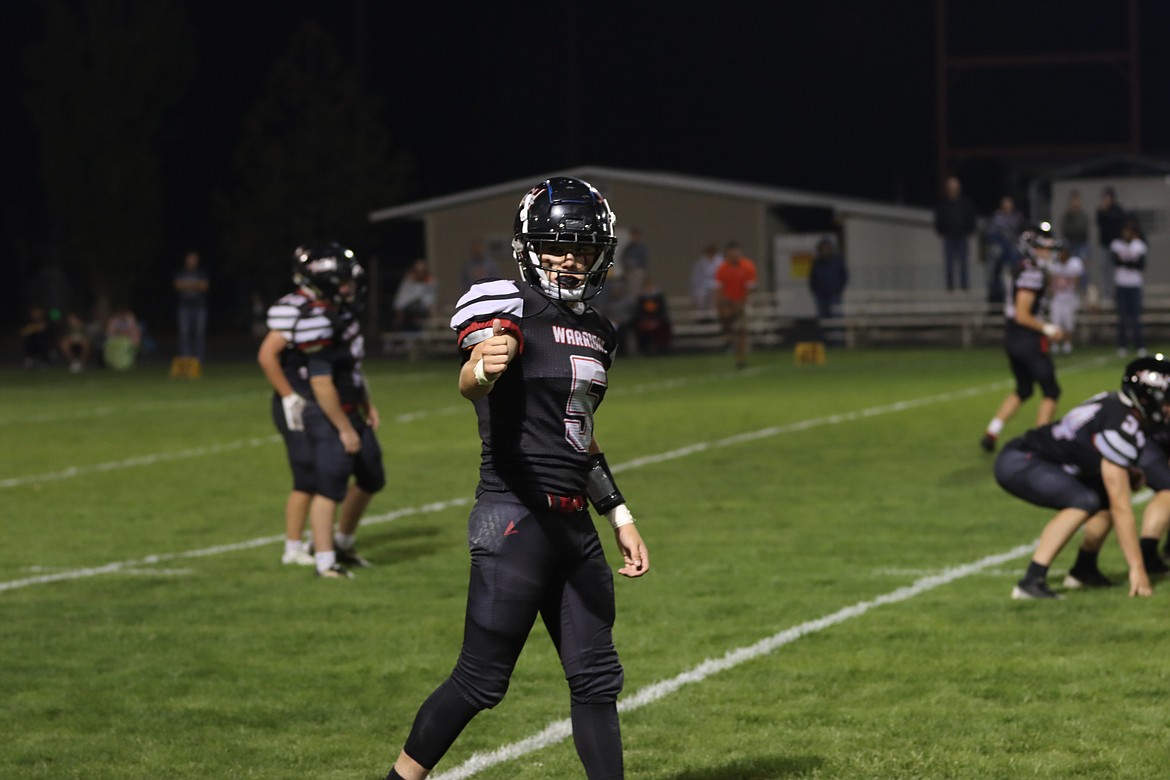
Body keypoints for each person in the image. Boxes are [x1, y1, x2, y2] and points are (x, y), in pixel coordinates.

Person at [381, 176, 649, 780]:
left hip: (575, 526)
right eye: (557, 245)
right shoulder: (505, 303)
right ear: (528, 246)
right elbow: (473, 373)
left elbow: (578, 432)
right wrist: (483, 367)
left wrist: (619, 513)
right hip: (515, 517)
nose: (570, 258)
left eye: (582, 248)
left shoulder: (600, 331)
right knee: (480, 682)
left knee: (597, 678)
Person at [993, 356, 1169, 600]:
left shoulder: (1118, 406)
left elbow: (1087, 447)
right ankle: (1031, 581)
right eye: (1167, 400)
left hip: (1035, 458)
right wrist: (1137, 569)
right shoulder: (1121, 422)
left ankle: (1083, 570)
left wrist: (1128, 471)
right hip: (1022, 460)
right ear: (1148, 397)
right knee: (1084, 500)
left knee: (1102, 498)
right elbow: (1122, 507)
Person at [273, 242, 385, 578]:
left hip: (352, 407)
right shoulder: (315, 321)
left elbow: (351, 369)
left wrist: (366, 403)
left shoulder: (341, 314)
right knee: (328, 484)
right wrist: (345, 428)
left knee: (371, 474)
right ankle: (324, 562)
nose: (351, 287)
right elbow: (322, 383)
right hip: (327, 412)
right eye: (344, 281)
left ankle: (342, 542)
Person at [979, 227, 1064, 452]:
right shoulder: (1031, 272)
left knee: (1024, 389)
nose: (1047, 252)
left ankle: (992, 431)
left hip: (1012, 337)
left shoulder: (1021, 268)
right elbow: (1022, 314)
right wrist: (1047, 328)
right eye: (1043, 248)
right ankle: (1040, 443)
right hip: (1027, 338)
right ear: (1031, 249)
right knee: (1051, 391)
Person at [714, 241, 758, 369]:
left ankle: (741, 357)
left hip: (743, 302)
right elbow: (719, 288)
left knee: (742, 330)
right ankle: (728, 340)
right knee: (728, 323)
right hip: (728, 303)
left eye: (736, 252)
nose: (734, 255)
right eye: (731, 252)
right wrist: (723, 303)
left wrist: (741, 302)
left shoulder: (748, 266)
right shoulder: (722, 268)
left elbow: (751, 288)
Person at [1111, 218, 1148, 358]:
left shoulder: (1138, 245)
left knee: (1136, 318)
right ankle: (1122, 345)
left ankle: (1140, 346)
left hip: (1134, 285)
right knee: (1122, 318)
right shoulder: (1116, 244)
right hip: (1121, 285)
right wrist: (1130, 262)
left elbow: (1141, 265)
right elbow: (1115, 261)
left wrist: (1125, 262)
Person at [933, 175, 977, 292]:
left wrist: (969, 229)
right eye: (951, 187)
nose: (953, 189)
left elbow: (971, 217)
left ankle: (964, 285)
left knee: (963, 262)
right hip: (949, 237)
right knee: (949, 263)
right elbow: (939, 218)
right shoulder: (943, 202)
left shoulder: (965, 202)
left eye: (955, 187)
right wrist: (941, 230)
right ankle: (950, 286)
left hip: (962, 236)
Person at [984, 195, 1025, 304]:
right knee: (995, 260)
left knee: (1019, 263)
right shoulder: (997, 217)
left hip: (1013, 248)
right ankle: (995, 290)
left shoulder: (1017, 217)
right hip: (1000, 247)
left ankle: (1018, 287)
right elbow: (991, 233)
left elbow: (1021, 233)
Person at [808, 235, 848, 344]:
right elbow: (812, 279)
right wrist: (817, 292)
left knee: (836, 321)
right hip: (821, 296)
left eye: (827, 247)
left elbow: (844, 276)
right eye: (823, 247)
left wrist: (838, 290)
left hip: (834, 295)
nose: (826, 249)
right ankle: (825, 344)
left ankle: (838, 343)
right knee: (824, 322)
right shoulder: (817, 262)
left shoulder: (837, 261)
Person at [173, 250, 210, 365]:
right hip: (184, 308)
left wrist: (186, 285)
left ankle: (198, 360)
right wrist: (195, 285)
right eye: (189, 259)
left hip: (199, 307)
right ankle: (186, 360)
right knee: (184, 334)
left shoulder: (201, 272)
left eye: (193, 259)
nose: (191, 262)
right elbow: (177, 285)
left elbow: (204, 286)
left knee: (199, 334)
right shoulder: (181, 272)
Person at [1047, 245, 1084, 354]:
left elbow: (1077, 280)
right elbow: (1050, 280)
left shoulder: (1074, 264)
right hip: (1057, 298)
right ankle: (1054, 344)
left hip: (1069, 298)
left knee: (1068, 323)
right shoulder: (1053, 264)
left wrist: (1074, 294)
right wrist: (1051, 292)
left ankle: (1068, 344)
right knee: (1055, 322)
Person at [1095, 186, 1126, 299]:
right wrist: (1103, 212)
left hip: (1116, 244)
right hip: (1105, 244)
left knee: (1116, 270)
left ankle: (1117, 293)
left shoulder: (1118, 210)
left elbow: (1120, 225)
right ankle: (1107, 293)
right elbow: (1100, 224)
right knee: (1105, 270)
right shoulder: (1101, 211)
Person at [392, 258, 437, 333]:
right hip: (408, 311)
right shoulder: (408, 282)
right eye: (418, 271)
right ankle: (399, 332)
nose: (420, 273)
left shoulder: (430, 282)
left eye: (422, 271)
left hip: (423, 310)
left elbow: (429, 300)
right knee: (400, 313)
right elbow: (400, 301)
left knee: (431, 311)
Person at [1058, 190, 1091, 291]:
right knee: (1068, 267)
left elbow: (1083, 230)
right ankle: (1070, 289)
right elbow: (1065, 229)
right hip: (1070, 243)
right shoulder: (1067, 216)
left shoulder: (1083, 216)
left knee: (1082, 269)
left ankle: (1084, 290)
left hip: (1081, 243)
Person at [632, 276, 672, 355]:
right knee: (640, 328)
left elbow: (663, 311)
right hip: (645, 321)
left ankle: (662, 349)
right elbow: (639, 313)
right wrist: (647, 321)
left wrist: (655, 321)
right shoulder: (641, 299)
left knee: (663, 327)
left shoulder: (659, 297)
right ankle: (644, 349)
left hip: (658, 321)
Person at [690, 243, 722, 318]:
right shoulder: (700, 263)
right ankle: (702, 316)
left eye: (711, 252)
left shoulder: (721, 262)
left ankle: (714, 315)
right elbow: (695, 278)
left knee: (715, 293)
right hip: (703, 286)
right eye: (708, 252)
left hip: (716, 285)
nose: (710, 254)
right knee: (699, 295)